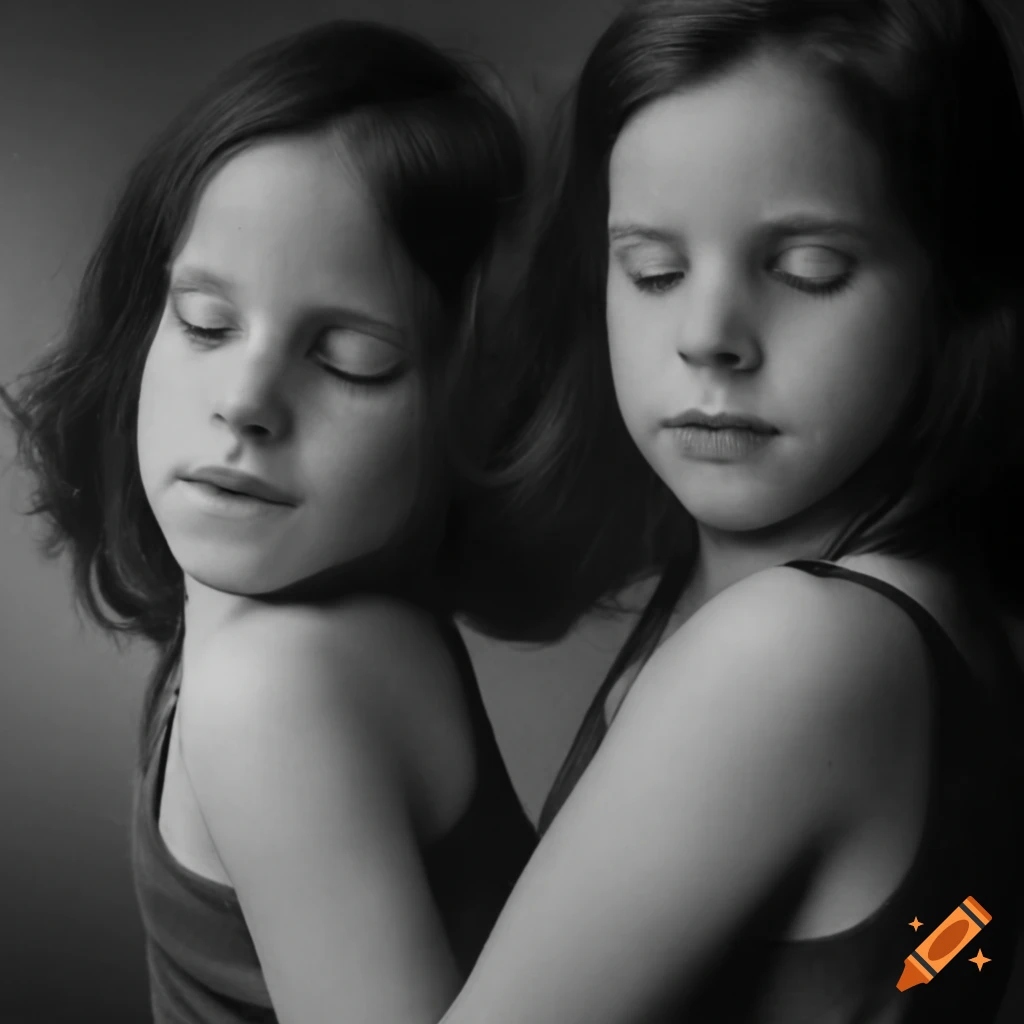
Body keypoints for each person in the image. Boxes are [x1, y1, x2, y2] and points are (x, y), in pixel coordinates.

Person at [444, 0, 1024, 1021]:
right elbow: (951, 960)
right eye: (653, 270)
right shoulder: (884, 596)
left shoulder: (798, 647)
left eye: (807, 270)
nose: (708, 336)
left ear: (951, 288)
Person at [2, 20, 536, 1024]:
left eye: (349, 360)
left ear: (473, 409)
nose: (245, 398)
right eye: (205, 322)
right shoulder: (270, 623)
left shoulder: (277, 680)